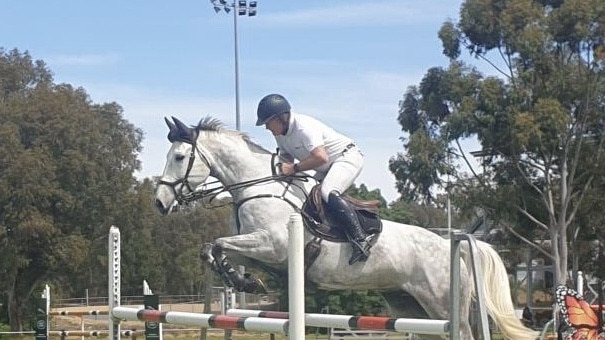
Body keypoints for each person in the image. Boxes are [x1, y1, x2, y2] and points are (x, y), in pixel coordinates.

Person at [255, 93, 371, 265]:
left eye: (268, 123)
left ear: (281, 118)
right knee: (308, 195)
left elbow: (321, 157)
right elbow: (286, 156)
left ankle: (360, 239)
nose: (266, 128)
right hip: (324, 166)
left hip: (346, 157)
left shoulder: (303, 127)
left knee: (328, 192)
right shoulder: (280, 133)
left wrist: (293, 168)